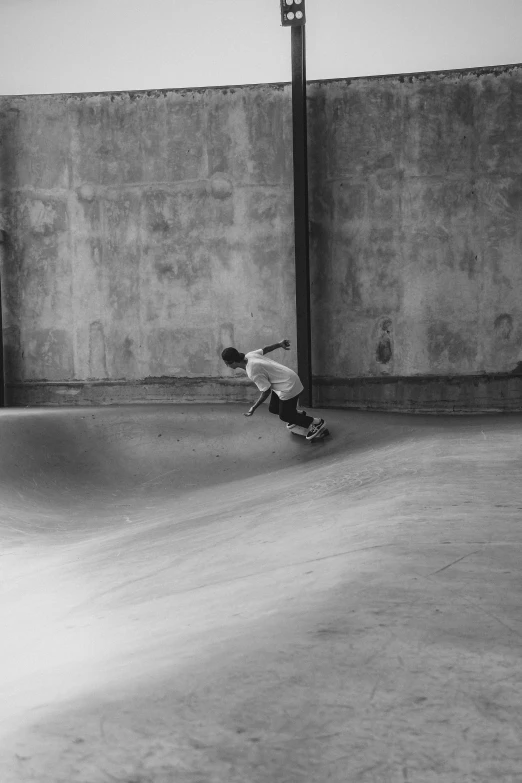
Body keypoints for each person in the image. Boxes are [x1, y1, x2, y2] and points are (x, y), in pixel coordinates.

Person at [221, 339, 326, 440]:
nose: (226, 365)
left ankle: (315, 422)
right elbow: (265, 349)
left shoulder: (252, 371)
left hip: (288, 386)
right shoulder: (249, 355)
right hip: (283, 380)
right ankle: (296, 415)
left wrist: (254, 407)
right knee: (273, 408)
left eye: (227, 363)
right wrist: (279, 344)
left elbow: (266, 391)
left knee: (284, 416)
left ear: (233, 362)